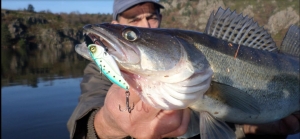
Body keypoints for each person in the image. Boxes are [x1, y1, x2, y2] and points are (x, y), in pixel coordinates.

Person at [67, 0, 300, 139]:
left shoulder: (195, 53)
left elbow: (227, 122)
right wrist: (109, 123)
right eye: (132, 23)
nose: (146, 24)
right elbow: (86, 122)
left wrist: (251, 128)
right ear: (116, 22)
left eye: (152, 17)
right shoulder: (102, 70)